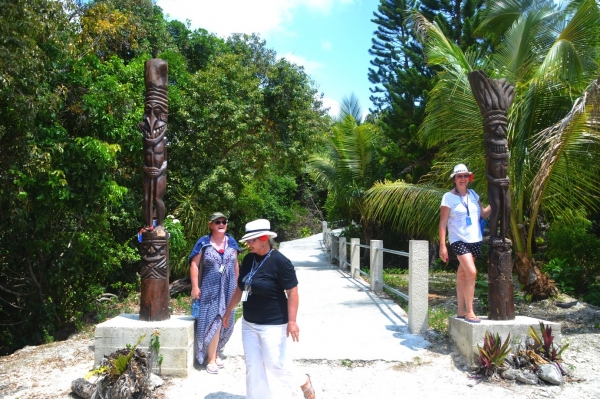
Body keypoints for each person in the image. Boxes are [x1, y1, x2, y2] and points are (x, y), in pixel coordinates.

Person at [222, 219, 316, 399]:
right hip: (249, 322)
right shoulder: (249, 259)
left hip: (273, 323)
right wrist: (228, 311)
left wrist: (292, 321)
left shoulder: (280, 262)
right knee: (253, 367)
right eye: (247, 241)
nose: (248, 244)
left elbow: (292, 291)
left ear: (264, 238)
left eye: (252, 240)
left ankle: (303, 380)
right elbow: (240, 288)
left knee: (276, 364)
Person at [439, 164, 491, 323]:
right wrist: (442, 246)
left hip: (475, 239)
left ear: (469, 178)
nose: (462, 178)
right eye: (459, 176)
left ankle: (460, 311)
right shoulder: (448, 197)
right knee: (472, 272)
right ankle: (469, 312)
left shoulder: (474, 195)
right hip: (458, 240)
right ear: (454, 179)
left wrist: (497, 201)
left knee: (462, 274)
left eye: (465, 176)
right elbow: (442, 223)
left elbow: (483, 214)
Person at [189, 212, 240, 374]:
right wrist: (195, 287)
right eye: (217, 221)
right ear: (210, 224)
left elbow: (236, 265)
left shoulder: (231, 242)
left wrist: (239, 287)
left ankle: (216, 351)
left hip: (229, 288)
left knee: (227, 321)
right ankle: (210, 359)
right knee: (213, 320)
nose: (221, 224)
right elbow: (194, 265)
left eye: (224, 221)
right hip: (210, 289)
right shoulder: (203, 243)